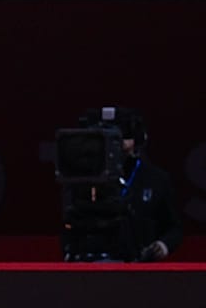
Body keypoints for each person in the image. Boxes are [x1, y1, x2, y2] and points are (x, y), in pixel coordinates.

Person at [62, 106, 182, 262]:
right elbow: (69, 222)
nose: (114, 143)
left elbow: (174, 228)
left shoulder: (156, 179)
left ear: (136, 139)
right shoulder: (80, 180)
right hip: (88, 268)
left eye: (120, 136)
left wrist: (163, 245)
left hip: (141, 268)